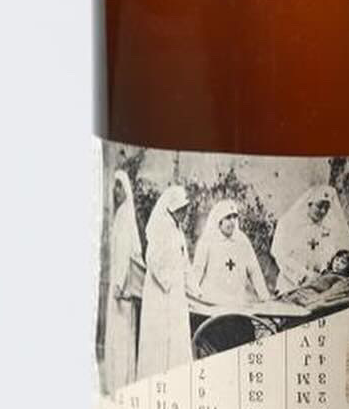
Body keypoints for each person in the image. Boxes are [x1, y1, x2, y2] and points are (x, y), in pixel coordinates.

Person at [137, 183, 193, 379]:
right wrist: (168, 282)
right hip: (160, 293)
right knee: (158, 341)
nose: (184, 213)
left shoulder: (177, 230)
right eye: (181, 209)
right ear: (172, 208)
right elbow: (152, 258)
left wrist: (194, 288)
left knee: (175, 340)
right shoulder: (160, 227)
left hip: (174, 293)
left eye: (185, 208)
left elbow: (184, 261)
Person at [101, 168, 144, 392]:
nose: (116, 190)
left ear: (126, 188)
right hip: (118, 283)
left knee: (122, 334)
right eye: (115, 186)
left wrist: (119, 284)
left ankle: (121, 382)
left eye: (120, 185)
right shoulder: (121, 215)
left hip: (123, 285)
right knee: (118, 333)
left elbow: (127, 253)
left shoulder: (126, 216)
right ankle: (117, 381)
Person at [271, 184, 349, 292]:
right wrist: (304, 275)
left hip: (319, 285)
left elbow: (332, 255)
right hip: (291, 283)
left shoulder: (328, 229)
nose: (323, 211)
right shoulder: (289, 224)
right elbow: (280, 255)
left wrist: (323, 272)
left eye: (326, 208)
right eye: (319, 206)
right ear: (310, 204)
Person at [191, 198, 272, 310]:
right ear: (219, 221)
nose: (232, 221)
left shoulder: (242, 240)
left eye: (234, 217)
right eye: (228, 218)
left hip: (237, 302)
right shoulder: (207, 240)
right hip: (212, 302)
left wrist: (264, 297)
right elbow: (198, 269)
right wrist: (194, 296)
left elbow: (254, 271)